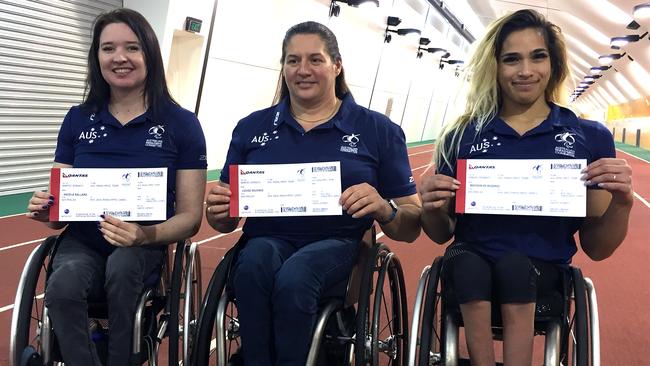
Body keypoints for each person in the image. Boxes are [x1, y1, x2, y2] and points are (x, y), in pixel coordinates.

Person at [419, 9, 633, 366]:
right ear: (495, 66)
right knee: (467, 266)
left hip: (542, 272)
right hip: (471, 262)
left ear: (554, 63)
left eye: (538, 56)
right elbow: (441, 233)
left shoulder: (589, 136)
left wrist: (622, 203)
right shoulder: (462, 135)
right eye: (511, 60)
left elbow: (596, 248)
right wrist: (431, 206)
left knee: (516, 267)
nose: (525, 71)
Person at [205, 21, 422, 366]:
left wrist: (384, 207)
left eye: (315, 60)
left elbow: (410, 226)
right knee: (252, 267)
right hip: (267, 238)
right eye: (293, 61)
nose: (303, 70)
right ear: (284, 68)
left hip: (339, 243)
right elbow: (226, 217)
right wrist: (217, 212)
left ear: (337, 66)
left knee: (297, 276)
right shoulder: (251, 127)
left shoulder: (378, 131)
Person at [26, 8, 207, 366]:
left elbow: (189, 218)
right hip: (83, 240)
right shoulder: (78, 118)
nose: (119, 58)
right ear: (97, 57)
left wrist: (143, 235)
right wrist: (48, 208)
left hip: (144, 240)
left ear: (149, 56)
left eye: (132, 48)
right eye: (108, 48)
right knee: (61, 287)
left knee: (123, 269)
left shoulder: (182, 125)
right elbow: (57, 214)